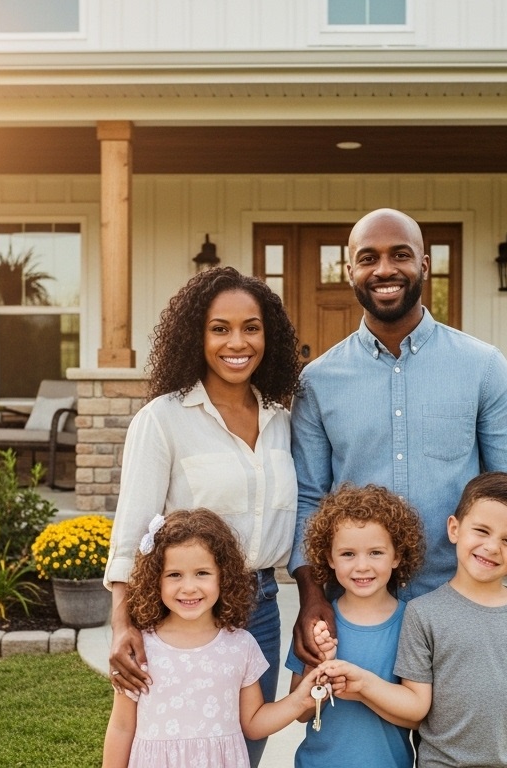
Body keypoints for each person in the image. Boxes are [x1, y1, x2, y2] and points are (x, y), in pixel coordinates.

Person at [288, 208, 507, 682]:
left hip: (465, 604)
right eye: (368, 258)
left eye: (400, 255)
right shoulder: (317, 382)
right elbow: (311, 499)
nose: (384, 270)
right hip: (358, 610)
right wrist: (312, 597)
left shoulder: (482, 366)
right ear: (349, 268)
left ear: (425, 262)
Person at [104, 266, 302, 767]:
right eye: (220, 328)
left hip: (260, 606)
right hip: (182, 611)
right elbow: (132, 531)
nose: (237, 342)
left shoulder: (283, 418)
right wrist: (121, 623)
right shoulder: (163, 419)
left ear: (268, 335)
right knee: (167, 741)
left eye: (251, 327)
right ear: (197, 335)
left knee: (240, 750)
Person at [318, 472, 507, 768]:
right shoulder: (422, 614)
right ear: (454, 529)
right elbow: (418, 706)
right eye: (482, 531)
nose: (492, 547)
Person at [102, 509, 324, 768]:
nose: (188, 587)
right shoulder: (140, 648)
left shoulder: (241, 646)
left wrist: (301, 699)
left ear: (224, 577)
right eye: (174, 575)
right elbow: (121, 726)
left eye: (202, 573)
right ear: (155, 580)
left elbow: (253, 724)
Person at [283, 484, 426, 768]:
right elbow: (300, 713)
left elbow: (417, 718)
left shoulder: (414, 624)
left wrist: (361, 688)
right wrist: (319, 666)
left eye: (376, 553)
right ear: (329, 558)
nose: (362, 566)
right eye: (348, 554)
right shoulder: (319, 624)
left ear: (396, 556)